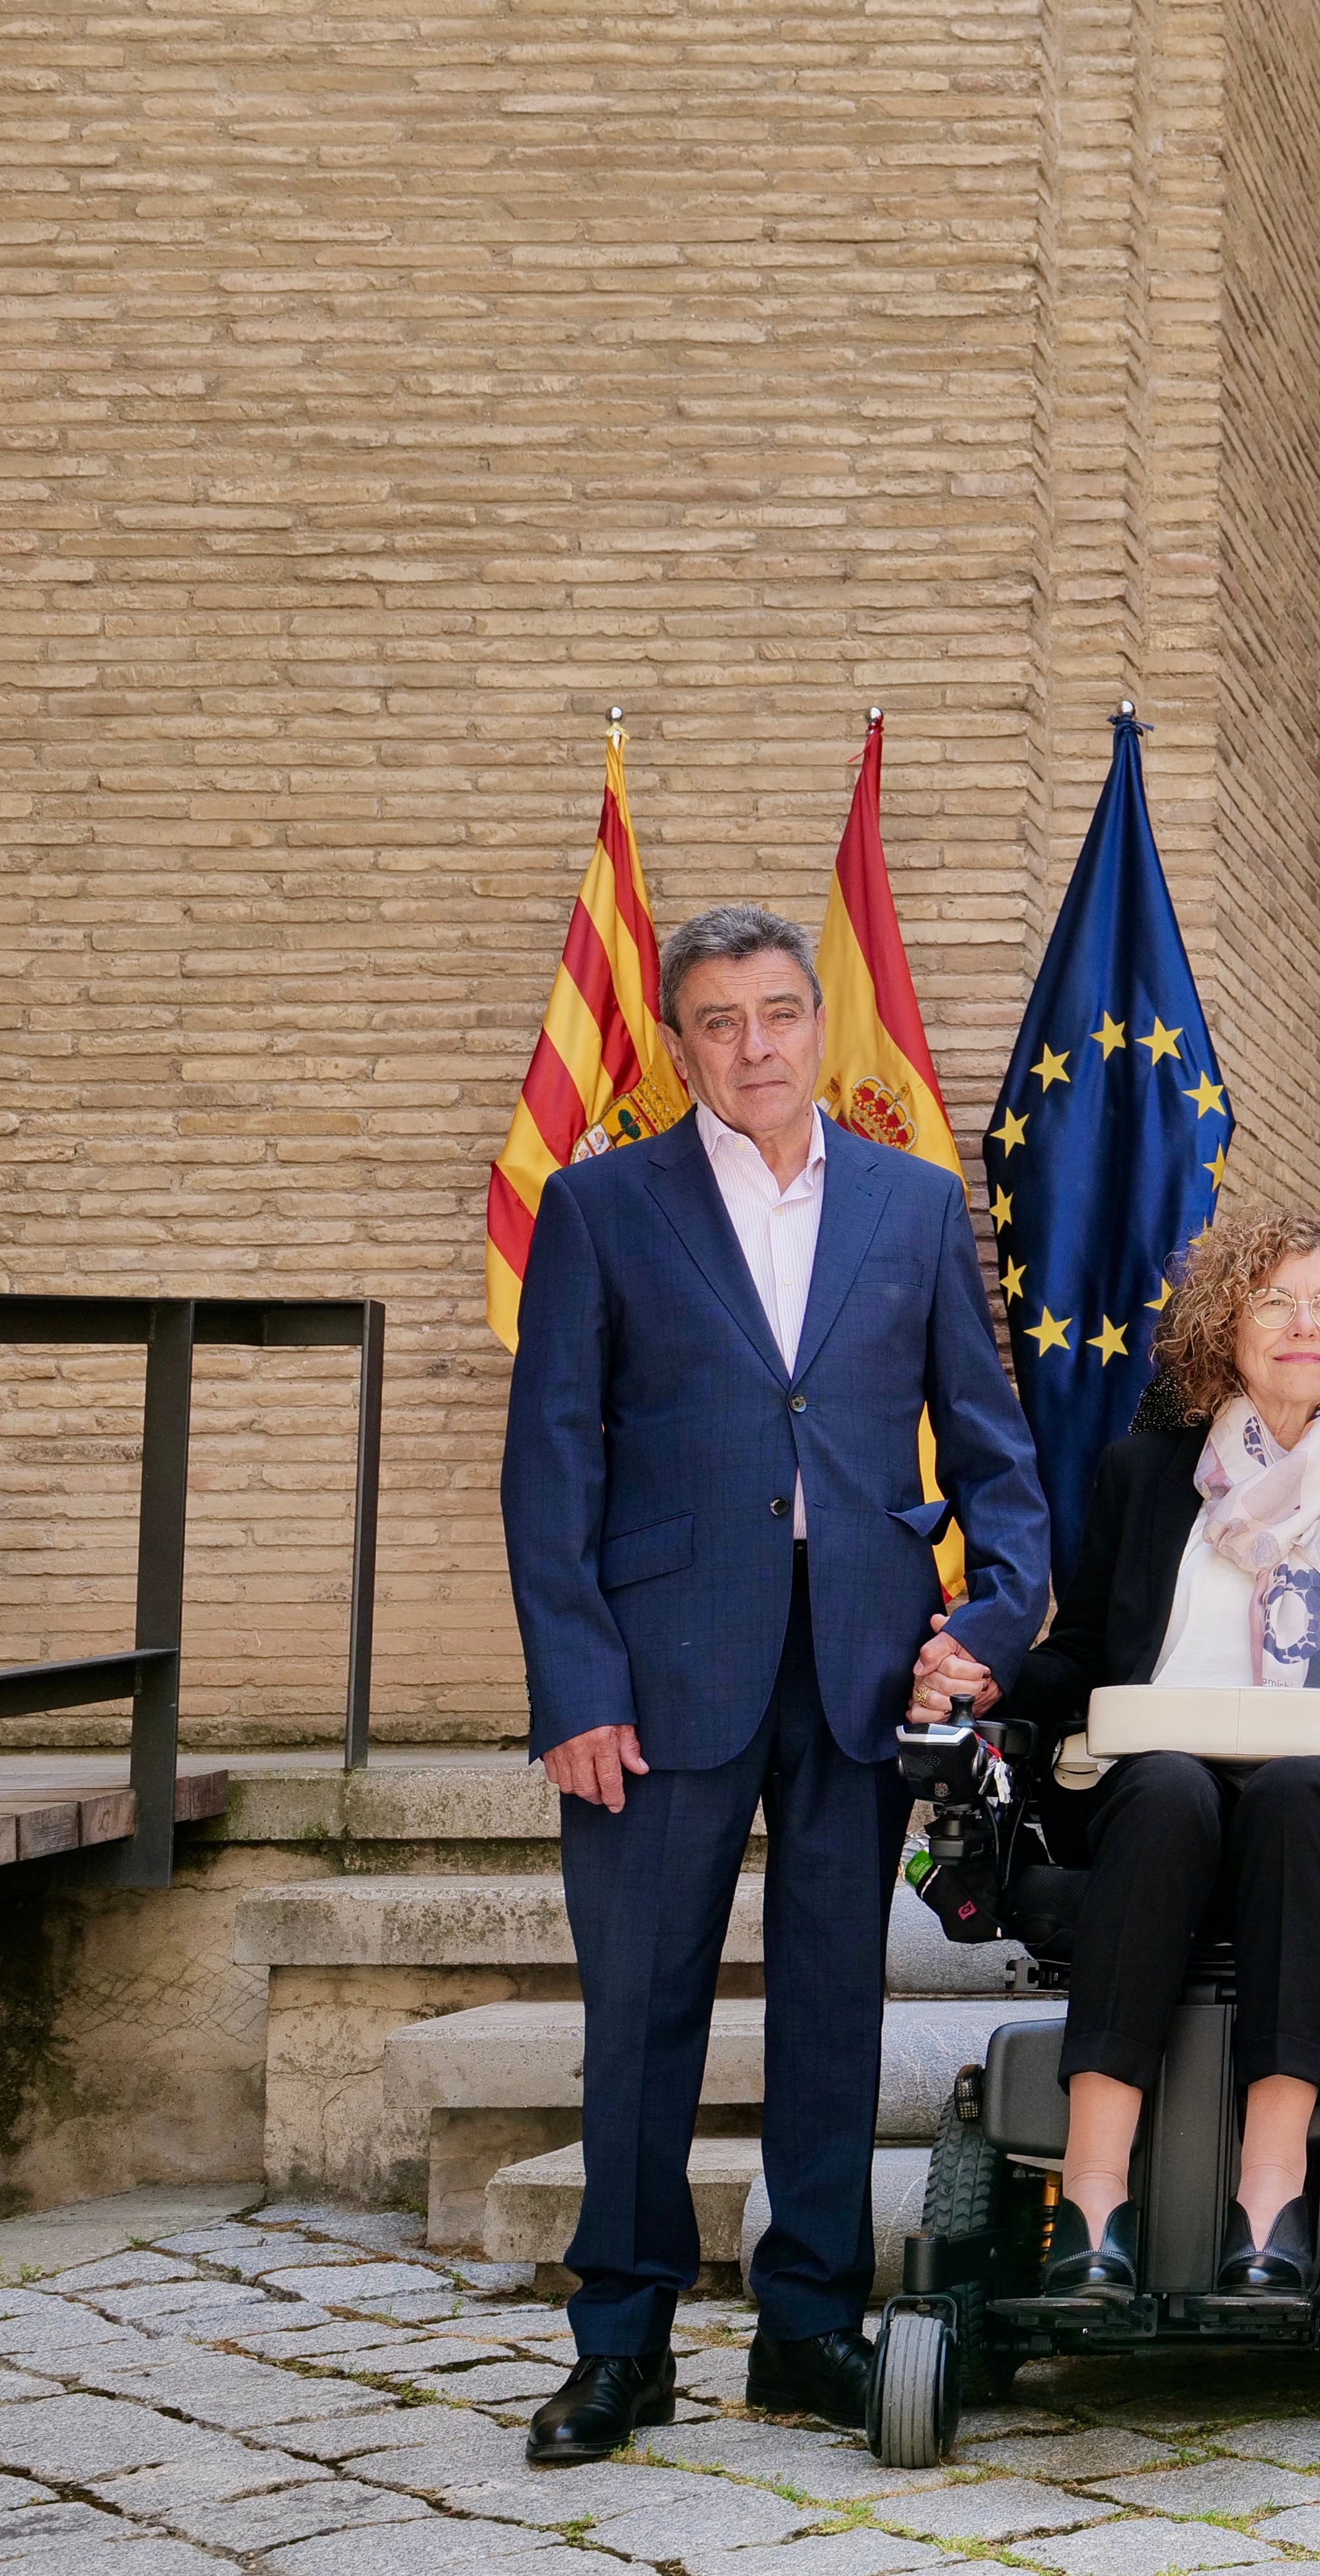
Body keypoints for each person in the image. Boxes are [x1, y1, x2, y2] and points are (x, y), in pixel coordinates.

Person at [502, 905, 1049, 2465]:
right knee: (642, 2004)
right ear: (681, 1043)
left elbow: (996, 1454)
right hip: (656, 1674)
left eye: (781, 1013)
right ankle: (622, 2340)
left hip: (863, 1663)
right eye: (722, 1021)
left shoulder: (916, 1201)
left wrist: (993, 1627)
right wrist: (574, 1684)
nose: (756, 1045)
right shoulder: (605, 1206)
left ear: (822, 1023)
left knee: (832, 2002)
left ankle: (808, 2324)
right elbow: (552, 1459)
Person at [994, 1209, 1320, 2306]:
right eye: (1275, 1299)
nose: (1304, 1324)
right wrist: (983, 1680)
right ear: (1228, 1326)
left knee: (1299, 1792)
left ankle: (1268, 2204)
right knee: (1170, 1788)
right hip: (1150, 1784)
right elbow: (1081, 1649)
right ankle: (1092, 2203)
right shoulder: (1147, 1470)